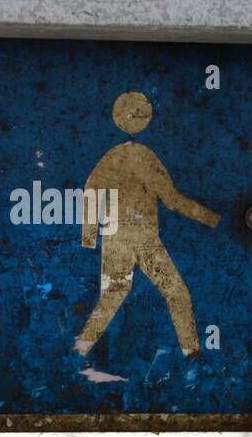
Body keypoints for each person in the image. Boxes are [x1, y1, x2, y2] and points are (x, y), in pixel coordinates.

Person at [75, 91, 219, 358]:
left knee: (111, 296)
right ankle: (192, 353)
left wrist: (89, 236)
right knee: (176, 292)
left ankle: (79, 350)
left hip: (115, 237)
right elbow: (172, 200)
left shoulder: (112, 156)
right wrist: (210, 218)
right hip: (143, 238)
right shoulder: (144, 157)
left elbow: (91, 189)